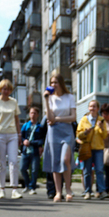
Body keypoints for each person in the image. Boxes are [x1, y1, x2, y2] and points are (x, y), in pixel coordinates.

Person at [42, 71, 76, 203]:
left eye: (55, 82)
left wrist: (58, 119)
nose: (53, 85)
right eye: (51, 83)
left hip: (67, 131)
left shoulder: (69, 97)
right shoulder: (50, 98)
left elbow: (73, 117)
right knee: (55, 161)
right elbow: (49, 119)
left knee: (65, 159)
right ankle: (58, 192)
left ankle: (68, 189)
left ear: (61, 83)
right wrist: (46, 100)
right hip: (53, 132)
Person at [0, 79, 22, 199]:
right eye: (4, 88)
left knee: (14, 161)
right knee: (0, 162)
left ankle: (15, 189)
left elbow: (17, 120)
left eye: (8, 89)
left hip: (12, 134)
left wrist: (19, 135)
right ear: (0, 89)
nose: (6, 91)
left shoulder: (13, 102)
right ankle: (2, 189)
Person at [77, 100, 107, 199]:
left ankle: (101, 191)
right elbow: (78, 135)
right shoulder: (84, 120)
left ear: (98, 109)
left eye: (94, 107)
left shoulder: (101, 120)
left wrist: (101, 128)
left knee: (99, 170)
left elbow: (104, 135)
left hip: (98, 148)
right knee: (87, 171)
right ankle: (87, 191)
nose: (92, 109)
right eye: (90, 107)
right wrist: (85, 133)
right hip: (87, 148)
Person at [20, 106, 43, 194]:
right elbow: (21, 136)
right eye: (31, 113)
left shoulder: (39, 127)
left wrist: (32, 143)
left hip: (35, 151)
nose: (32, 115)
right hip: (26, 150)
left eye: (34, 113)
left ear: (37, 115)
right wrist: (24, 141)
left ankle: (32, 187)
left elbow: (41, 140)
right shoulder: (25, 126)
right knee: (22, 168)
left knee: (34, 170)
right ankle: (27, 184)